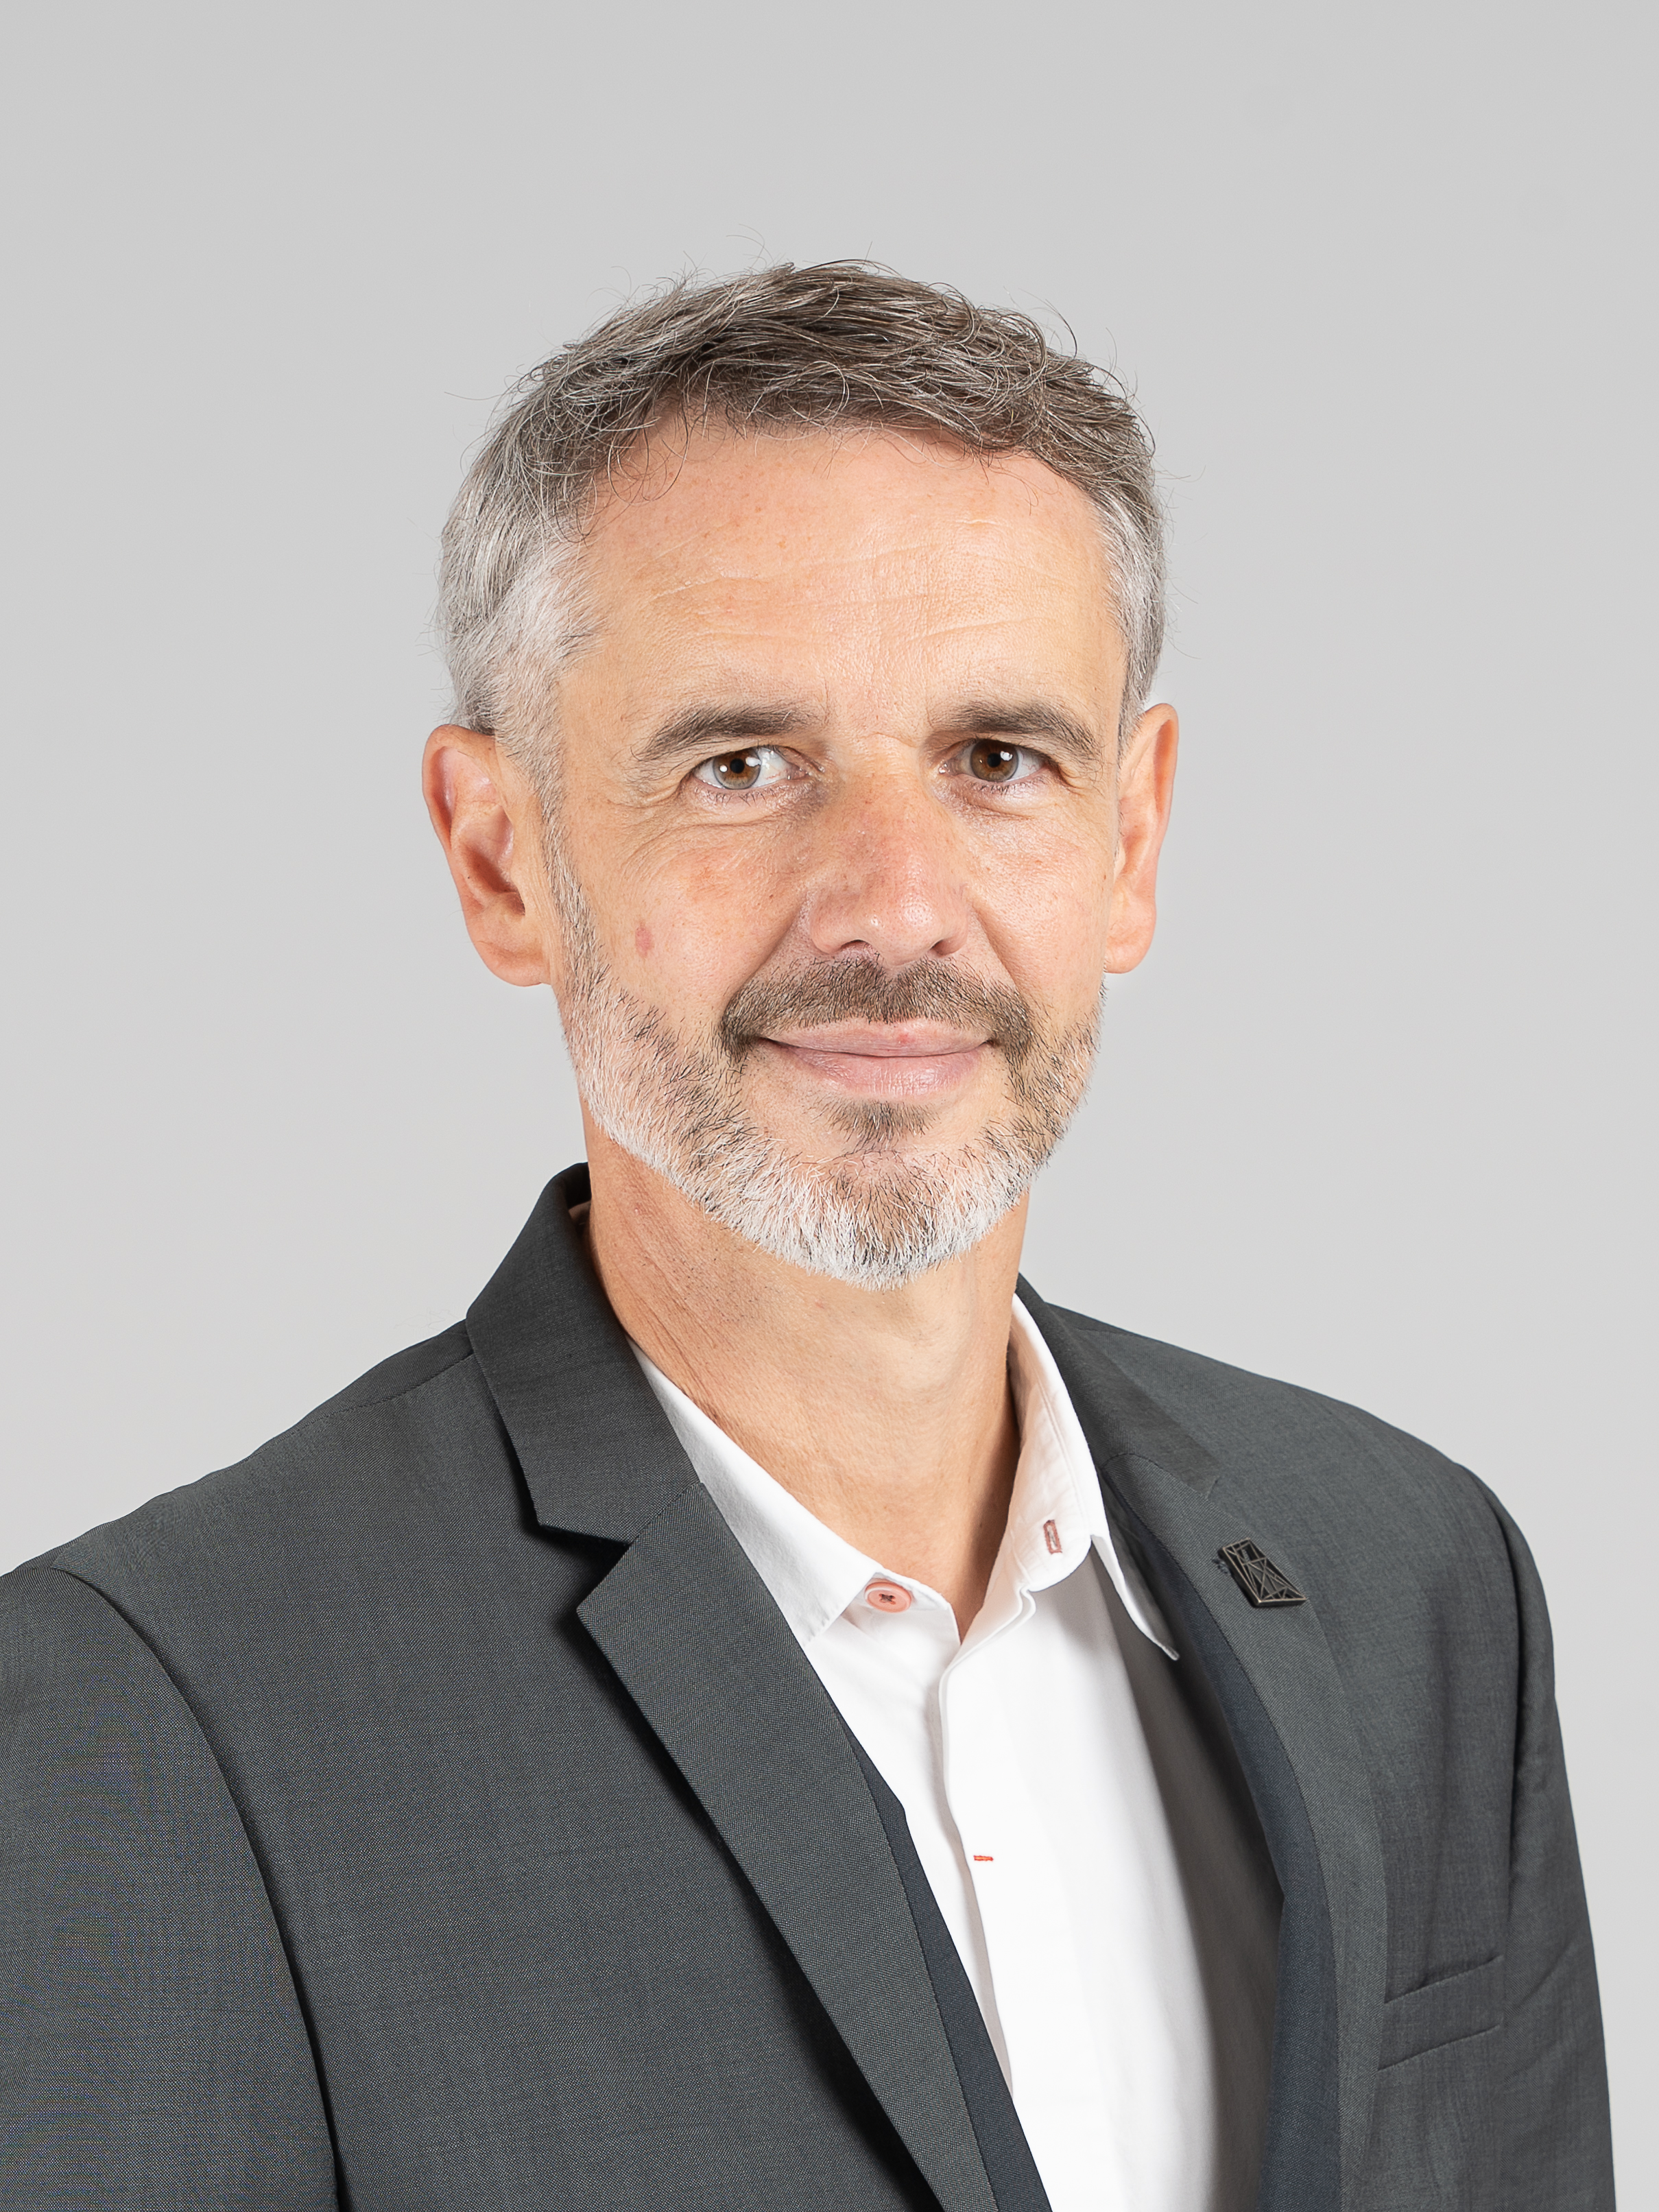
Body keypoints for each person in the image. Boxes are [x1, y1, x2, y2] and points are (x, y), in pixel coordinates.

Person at [0, 263, 1613, 2212]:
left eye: (998, 759)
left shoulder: (1412, 1579)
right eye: (742, 766)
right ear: (502, 858)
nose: (893, 904)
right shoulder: (154, 1714)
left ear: (1131, 837)